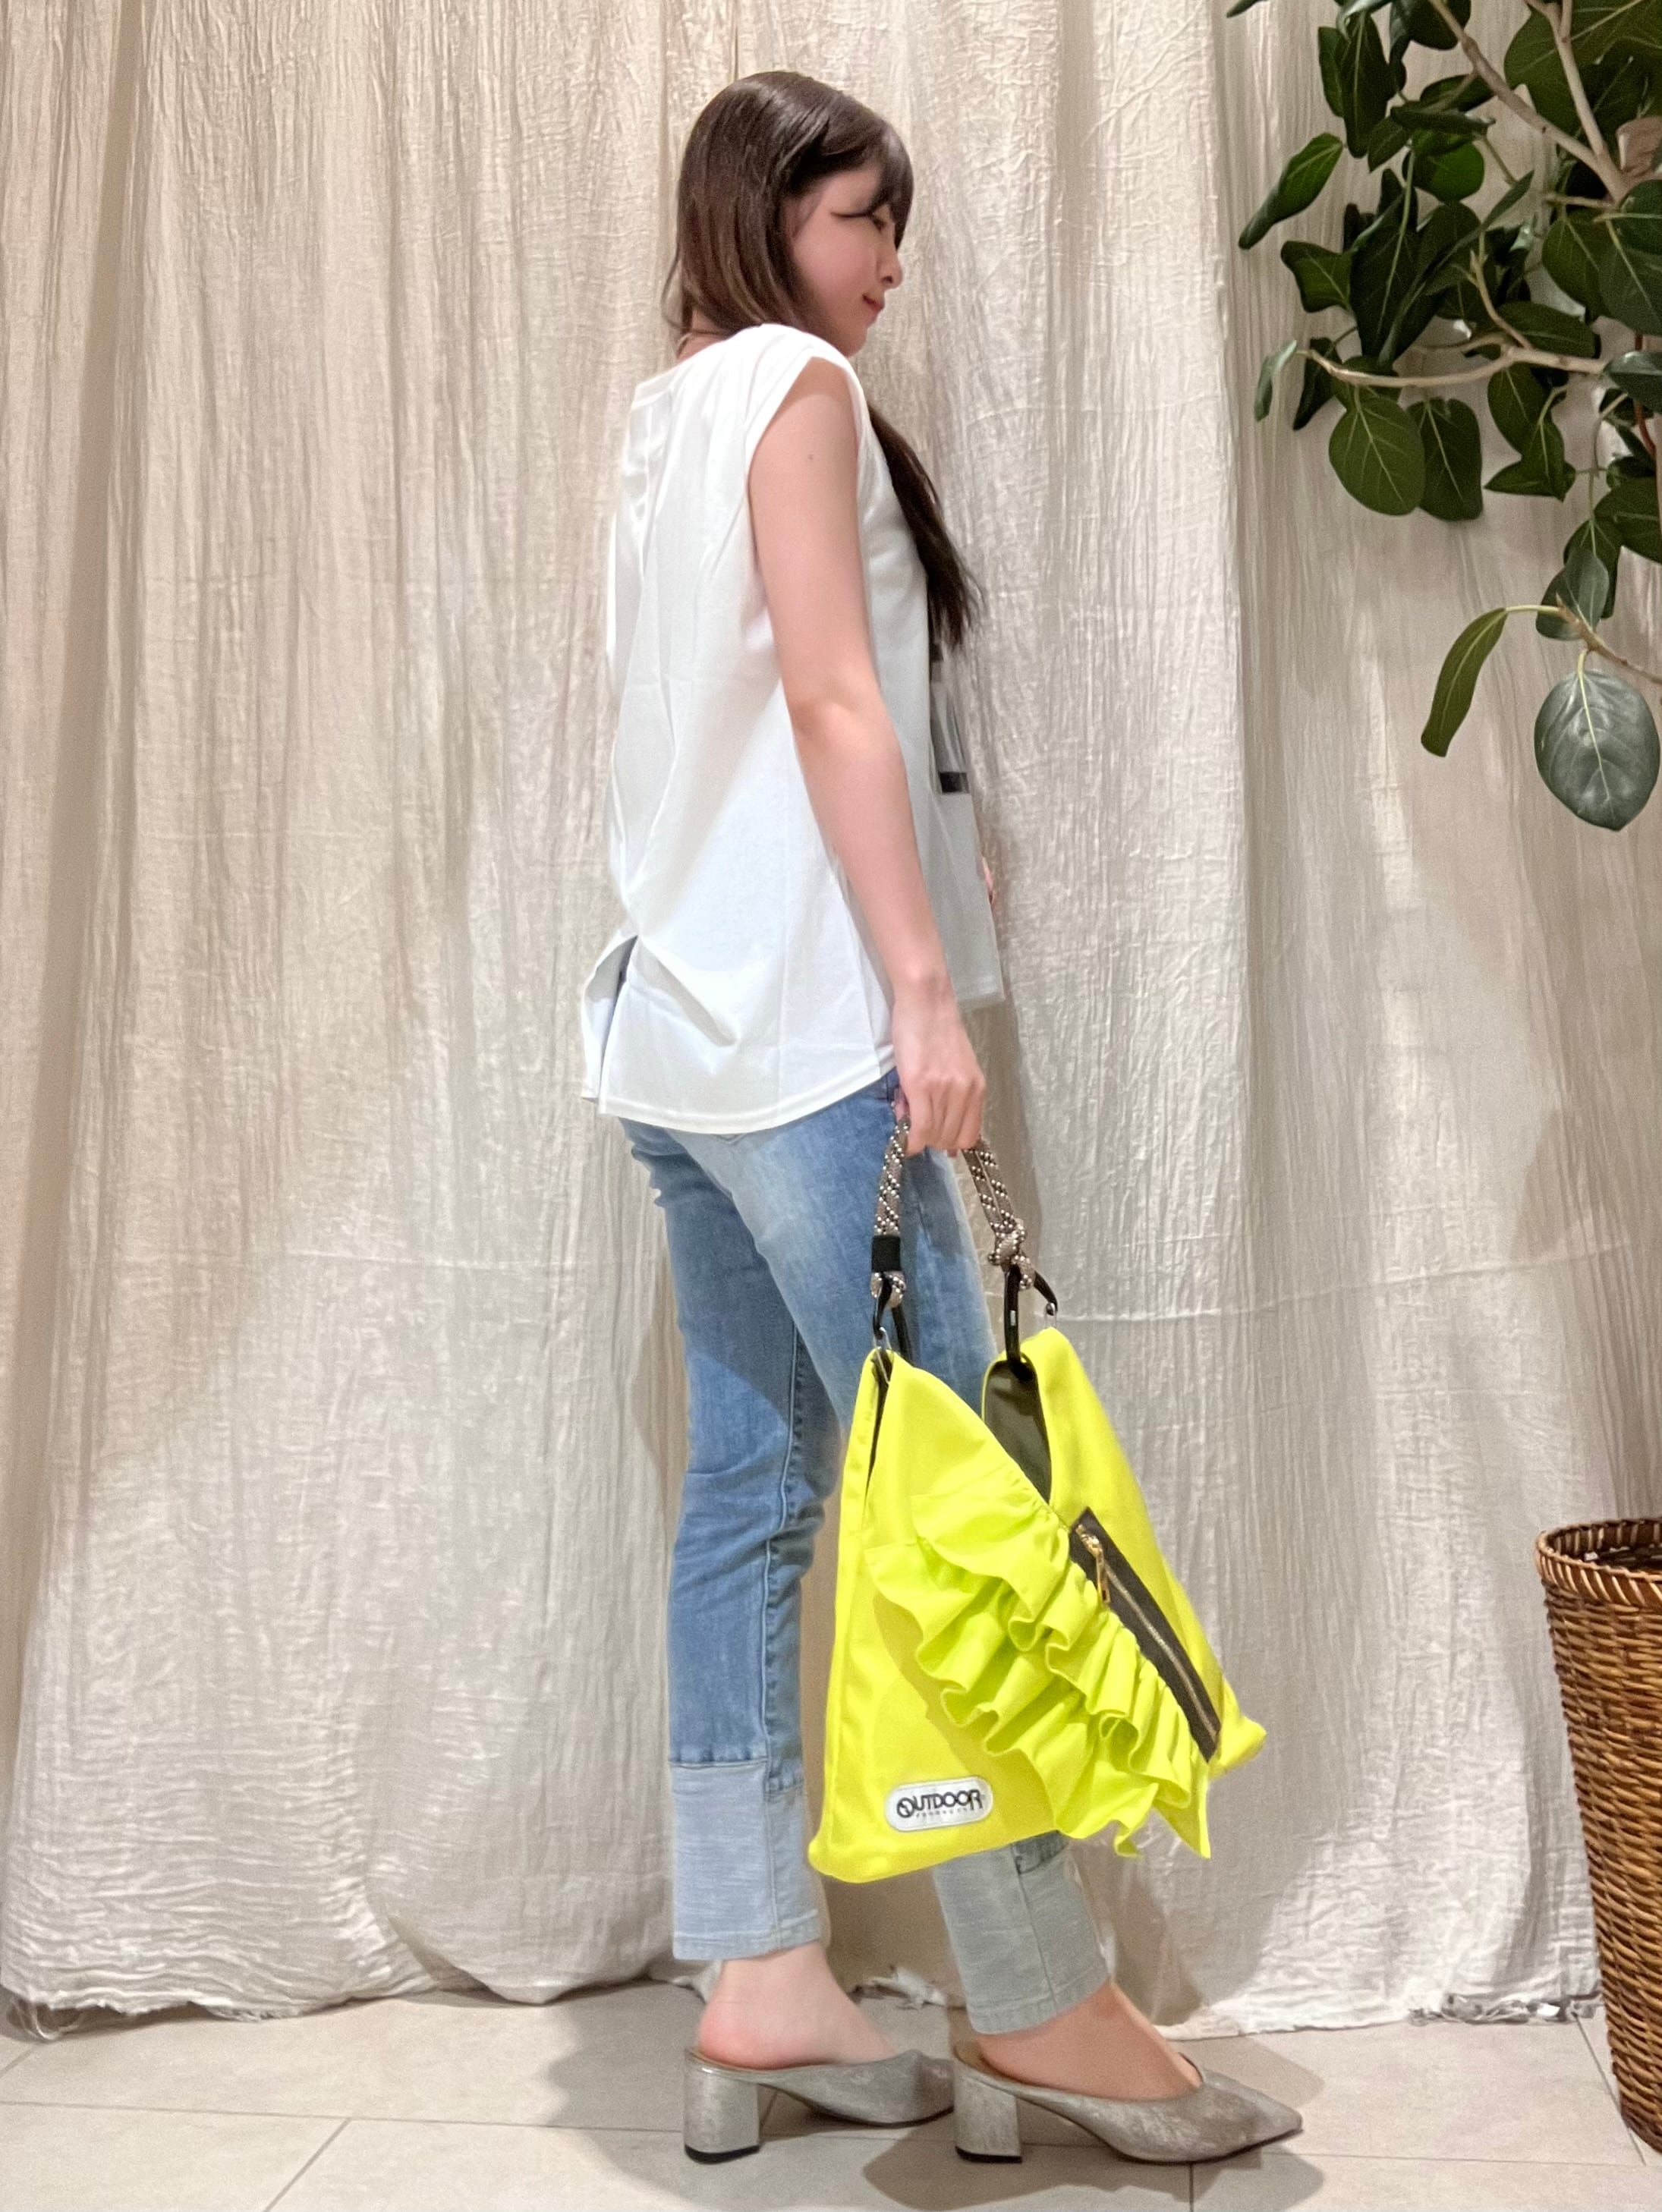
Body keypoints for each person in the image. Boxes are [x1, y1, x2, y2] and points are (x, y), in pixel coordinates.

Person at [577, 68, 1300, 2167]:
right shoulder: (797, 389)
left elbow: (728, 725)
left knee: (753, 1493)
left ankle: (757, 1978)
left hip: (676, 1040)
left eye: (895, 220)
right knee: (965, 1492)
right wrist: (917, 985)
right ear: (761, 216)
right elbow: (830, 698)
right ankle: (1040, 1993)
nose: (891, 259)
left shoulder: (664, 417)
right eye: (858, 215)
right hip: (810, 1038)